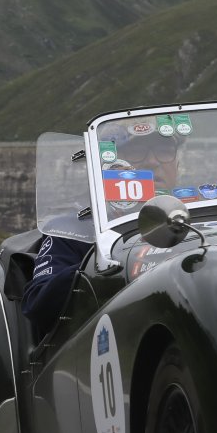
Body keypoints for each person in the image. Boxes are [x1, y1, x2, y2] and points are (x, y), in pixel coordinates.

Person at [20, 124, 184, 341]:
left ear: (177, 163)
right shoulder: (73, 228)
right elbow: (39, 304)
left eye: (164, 150)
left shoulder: (203, 219)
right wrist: (100, 268)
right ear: (110, 165)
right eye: (136, 151)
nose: (153, 161)